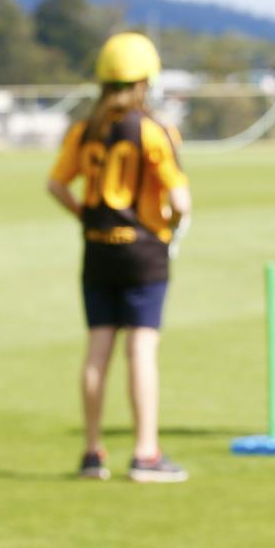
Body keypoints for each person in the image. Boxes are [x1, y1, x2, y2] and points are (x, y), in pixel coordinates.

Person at [47, 31, 191, 483]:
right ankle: (145, 454)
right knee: (141, 349)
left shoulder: (83, 129)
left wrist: (86, 218)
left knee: (98, 348)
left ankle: (92, 454)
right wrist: (171, 227)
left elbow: (56, 185)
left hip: (97, 249)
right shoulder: (154, 129)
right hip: (145, 250)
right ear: (145, 80)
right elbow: (181, 201)